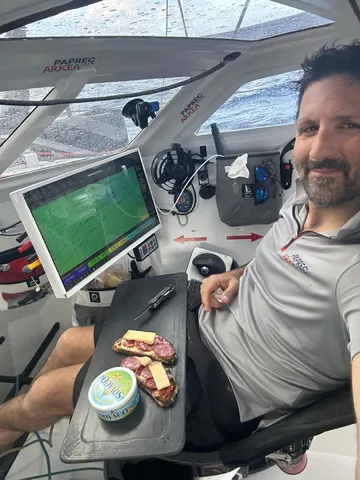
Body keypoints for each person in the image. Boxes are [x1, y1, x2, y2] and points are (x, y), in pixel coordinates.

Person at [2, 38, 360, 476]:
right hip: (203, 326)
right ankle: (18, 431)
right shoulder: (305, 198)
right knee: (68, 342)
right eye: (308, 128)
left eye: (349, 125)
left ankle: (18, 422)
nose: (320, 149)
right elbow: (290, 264)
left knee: (46, 394)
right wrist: (242, 276)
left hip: (225, 389)